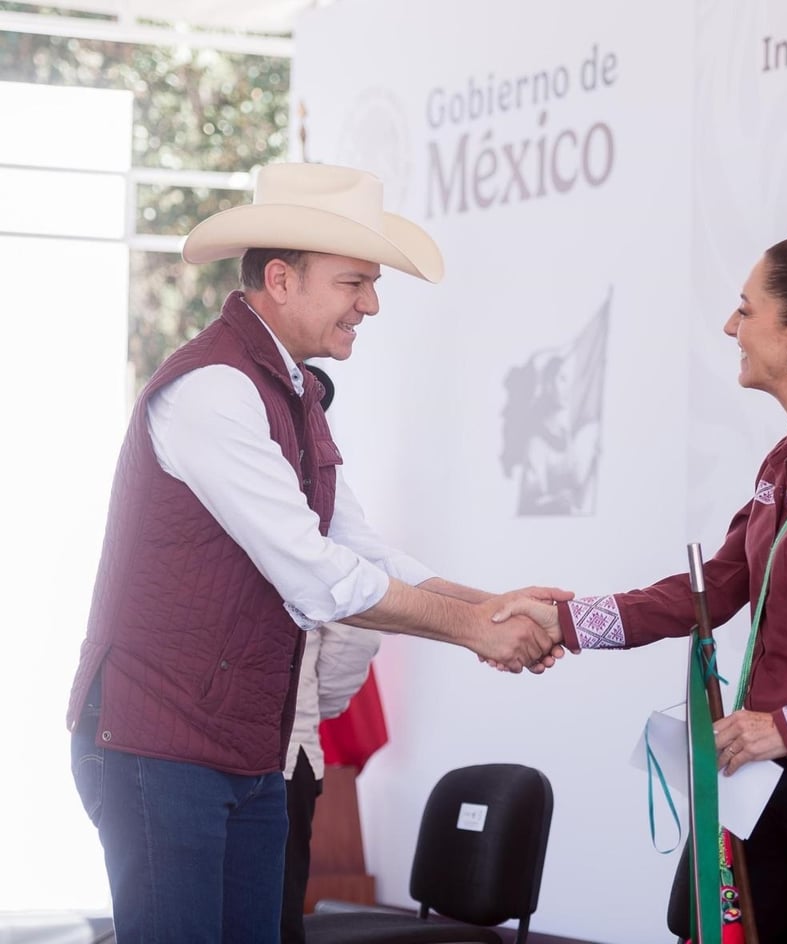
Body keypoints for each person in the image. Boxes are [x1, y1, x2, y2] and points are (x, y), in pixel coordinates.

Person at [66, 161, 567, 944]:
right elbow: (319, 575)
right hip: (156, 747)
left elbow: (360, 548)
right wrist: (473, 632)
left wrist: (490, 605)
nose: (370, 303)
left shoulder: (293, 391)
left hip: (246, 754)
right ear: (281, 279)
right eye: (354, 283)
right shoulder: (213, 391)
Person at [499, 234, 787, 943]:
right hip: (781, 782)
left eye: (745, 311)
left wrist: (781, 727)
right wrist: (562, 620)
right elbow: (713, 589)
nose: (729, 327)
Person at [281, 620, 380, 944]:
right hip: (283, 746)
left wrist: (299, 706)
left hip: (284, 756)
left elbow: (354, 632)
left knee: (274, 917)